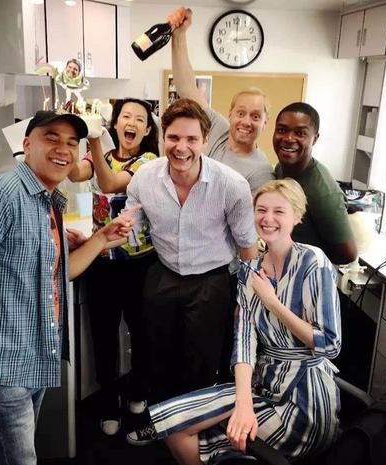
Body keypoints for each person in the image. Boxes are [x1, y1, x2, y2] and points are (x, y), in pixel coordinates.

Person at [0, 110, 135, 465]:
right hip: (3, 365)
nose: (63, 149)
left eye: (72, 143)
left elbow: (59, 273)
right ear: (27, 145)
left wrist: (101, 239)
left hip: (35, 357)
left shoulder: (48, 201)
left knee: (6, 455)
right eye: (52, 138)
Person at [141, 179, 342, 464]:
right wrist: (244, 404)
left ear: (297, 216)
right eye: (261, 210)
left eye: (279, 211)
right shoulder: (250, 270)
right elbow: (245, 343)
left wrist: (272, 302)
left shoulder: (312, 261)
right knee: (172, 425)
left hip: (305, 402)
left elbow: (329, 345)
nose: (267, 218)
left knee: (188, 435)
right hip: (264, 387)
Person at [124, 98, 258, 445]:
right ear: (162, 138)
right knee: (156, 357)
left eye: (191, 139)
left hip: (212, 281)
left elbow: (248, 246)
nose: (181, 147)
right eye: (173, 137)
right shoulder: (145, 178)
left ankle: (194, 435)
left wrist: (247, 300)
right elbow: (131, 223)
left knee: (201, 364)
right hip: (164, 273)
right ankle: (161, 427)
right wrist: (103, 235)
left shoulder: (231, 185)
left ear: (205, 140)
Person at [68, 98, 160, 436]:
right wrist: (72, 137)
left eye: (139, 119)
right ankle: (108, 403)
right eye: (126, 116)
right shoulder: (102, 156)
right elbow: (76, 173)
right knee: (103, 335)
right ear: (116, 123)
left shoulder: (149, 162)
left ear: (147, 130)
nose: (131, 122)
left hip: (139, 263)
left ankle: (138, 391)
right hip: (102, 260)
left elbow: (109, 184)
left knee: (141, 331)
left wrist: (94, 138)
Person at [168, 6, 274, 194]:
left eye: (256, 116)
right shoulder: (218, 128)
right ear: (230, 113)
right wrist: (178, 36)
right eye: (241, 113)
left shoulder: (262, 171)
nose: (246, 121)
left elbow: (252, 212)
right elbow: (187, 88)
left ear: (265, 123)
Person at [273, 102, 357, 264]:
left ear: (315, 139)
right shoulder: (281, 168)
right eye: (282, 130)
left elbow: (348, 254)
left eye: (300, 133)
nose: (289, 138)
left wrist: (306, 263)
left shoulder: (323, 193)